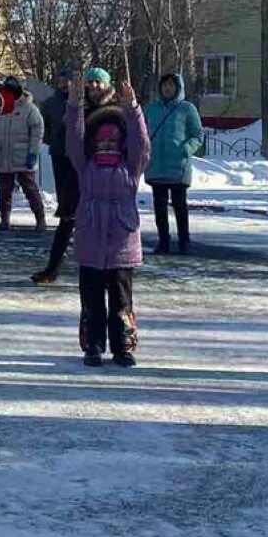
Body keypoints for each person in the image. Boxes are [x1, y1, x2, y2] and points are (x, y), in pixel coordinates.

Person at [66, 74, 149, 367]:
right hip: (90, 240)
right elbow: (73, 141)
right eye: (101, 140)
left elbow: (142, 144)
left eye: (113, 139)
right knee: (91, 300)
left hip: (121, 243)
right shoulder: (85, 166)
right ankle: (93, 346)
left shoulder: (131, 168)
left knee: (120, 299)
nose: (107, 144)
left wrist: (133, 109)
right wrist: (75, 105)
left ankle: (123, 347)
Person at [32, 67, 92, 285]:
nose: (65, 84)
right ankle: (52, 268)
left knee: (87, 214)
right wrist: (56, 142)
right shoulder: (51, 103)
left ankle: (96, 266)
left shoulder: (88, 104)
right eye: (62, 80)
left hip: (87, 161)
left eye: (69, 80)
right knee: (67, 211)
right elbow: (45, 127)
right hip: (61, 154)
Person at [143, 72, 205, 255]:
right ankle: (163, 241)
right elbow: (143, 131)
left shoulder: (187, 108)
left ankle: (184, 240)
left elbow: (198, 135)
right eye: (164, 85)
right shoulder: (151, 108)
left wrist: (186, 149)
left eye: (171, 85)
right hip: (156, 165)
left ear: (178, 87)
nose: (167, 88)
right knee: (159, 207)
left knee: (180, 206)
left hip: (178, 165)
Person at [0, 76, 45, 232]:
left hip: (22, 155)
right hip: (2, 155)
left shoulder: (29, 108)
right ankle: (4, 219)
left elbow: (37, 130)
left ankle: (40, 218)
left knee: (30, 188)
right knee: (4, 190)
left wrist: (33, 152)